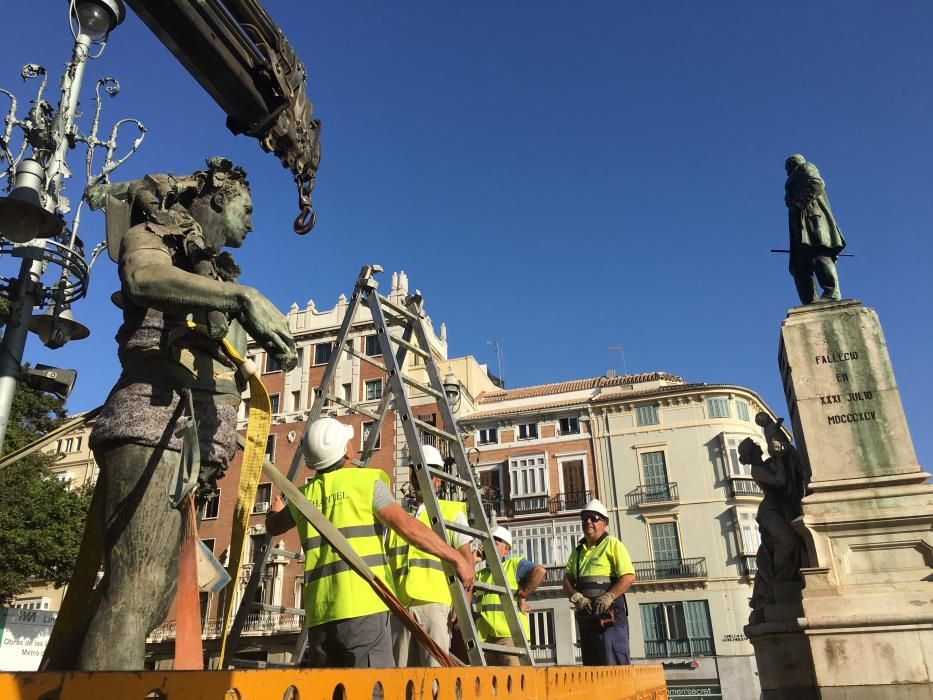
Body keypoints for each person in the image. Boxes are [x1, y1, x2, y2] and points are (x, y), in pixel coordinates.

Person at [67, 158, 297, 671]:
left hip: (185, 439)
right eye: (248, 207)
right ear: (218, 196)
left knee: (147, 593)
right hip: (155, 423)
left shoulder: (207, 272)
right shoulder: (154, 235)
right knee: (138, 589)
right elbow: (142, 275)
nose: (254, 221)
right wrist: (242, 297)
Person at [266, 419, 475, 668]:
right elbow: (407, 527)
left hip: (320, 614)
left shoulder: (302, 497)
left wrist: (273, 511)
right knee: (372, 687)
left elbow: (273, 526)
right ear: (345, 451)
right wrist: (456, 559)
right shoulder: (366, 483)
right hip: (365, 608)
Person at [387, 445, 474, 667]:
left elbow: (467, 562)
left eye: (427, 471)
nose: (419, 477)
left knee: (435, 675)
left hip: (436, 606)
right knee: (401, 678)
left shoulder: (452, 512)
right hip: (400, 607)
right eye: (416, 471)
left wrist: (463, 603)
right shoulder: (399, 516)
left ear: (438, 480)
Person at [563, 498, 636, 666]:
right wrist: (577, 598)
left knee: (614, 671)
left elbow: (628, 576)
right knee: (593, 673)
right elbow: (566, 582)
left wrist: (609, 596)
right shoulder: (578, 552)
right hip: (588, 623)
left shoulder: (613, 544)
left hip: (611, 623)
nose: (588, 521)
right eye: (585, 518)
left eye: (594, 518)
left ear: (605, 523)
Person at [474, 526, 546, 666]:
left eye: (494, 542)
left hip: (509, 637)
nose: (487, 546)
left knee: (514, 683)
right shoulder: (482, 574)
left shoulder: (513, 565)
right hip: (486, 638)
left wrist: (522, 594)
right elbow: (464, 579)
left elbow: (540, 571)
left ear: (506, 549)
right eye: (486, 542)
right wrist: (474, 560)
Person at [784, 154, 846, 304]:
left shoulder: (805, 168)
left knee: (818, 253)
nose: (787, 172)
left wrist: (800, 203)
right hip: (798, 227)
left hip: (812, 220)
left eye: (787, 168)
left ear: (793, 164)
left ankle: (832, 293)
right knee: (798, 267)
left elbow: (816, 183)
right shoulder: (792, 181)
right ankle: (810, 302)